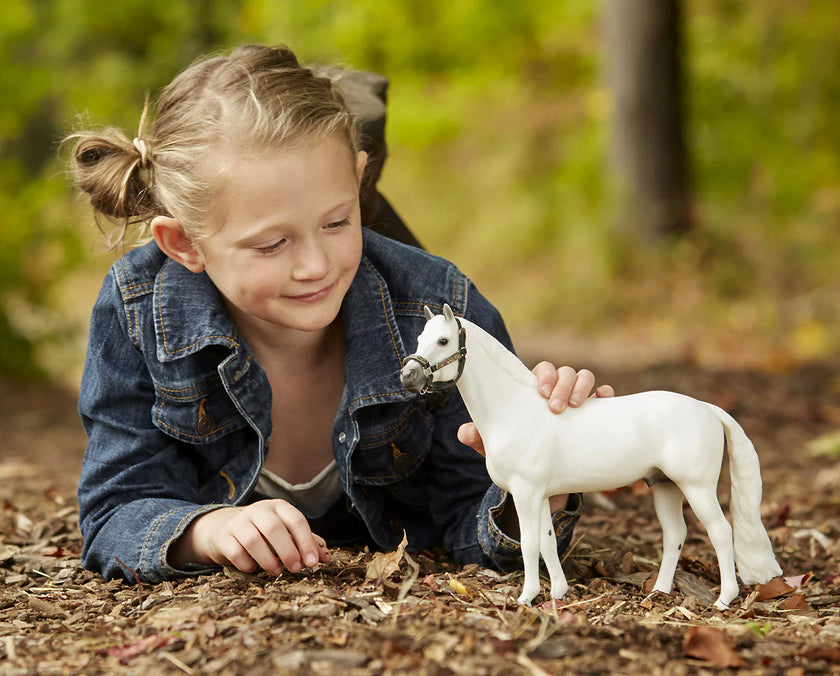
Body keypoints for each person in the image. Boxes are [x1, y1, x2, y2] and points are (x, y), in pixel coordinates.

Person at [68, 44, 613, 583]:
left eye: (336, 223)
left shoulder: (440, 312)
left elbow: (473, 520)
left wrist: (546, 477)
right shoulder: (137, 310)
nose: (316, 266)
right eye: (272, 244)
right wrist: (208, 531)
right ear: (184, 242)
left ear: (357, 179)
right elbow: (116, 511)